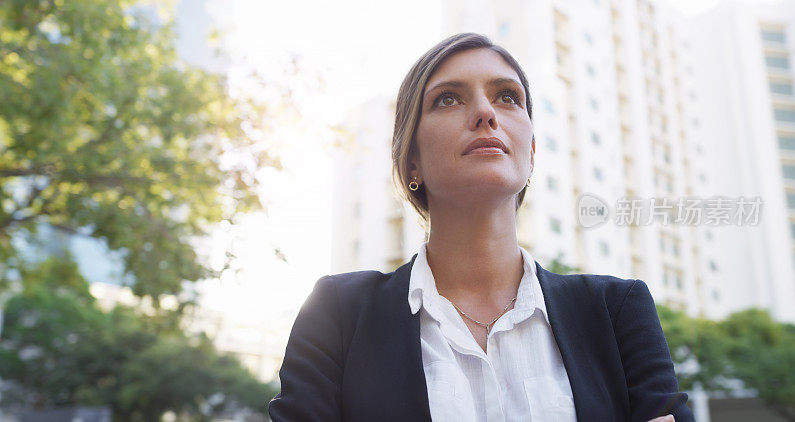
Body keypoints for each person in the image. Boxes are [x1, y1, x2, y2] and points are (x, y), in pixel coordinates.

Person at [268, 33, 695, 422]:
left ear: (530, 151)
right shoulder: (337, 313)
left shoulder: (618, 310)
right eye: (448, 99)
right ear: (411, 159)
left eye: (507, 97)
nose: (486, 113)